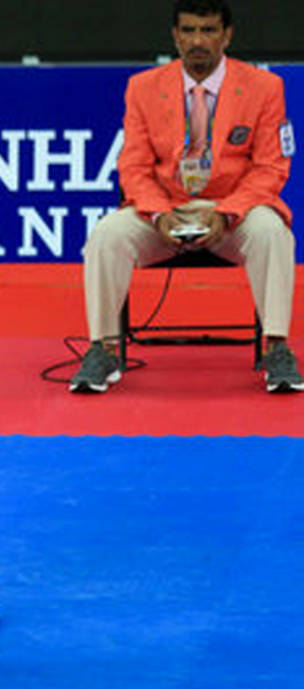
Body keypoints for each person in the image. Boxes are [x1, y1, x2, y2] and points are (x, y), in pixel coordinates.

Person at [70, 0, 300, 394]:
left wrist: (226, 214)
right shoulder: (143, 87)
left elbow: (270, 168)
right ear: (175, 36)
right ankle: (103, 348)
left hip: (234, 211)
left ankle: (276, 348)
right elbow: (134, 167)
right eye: (189, 31)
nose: (198, 41)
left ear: (227, 36)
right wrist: (160, 215)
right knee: (107, 235)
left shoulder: (264, 88)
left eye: (208, 31)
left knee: (273, 233)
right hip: (166, 209)